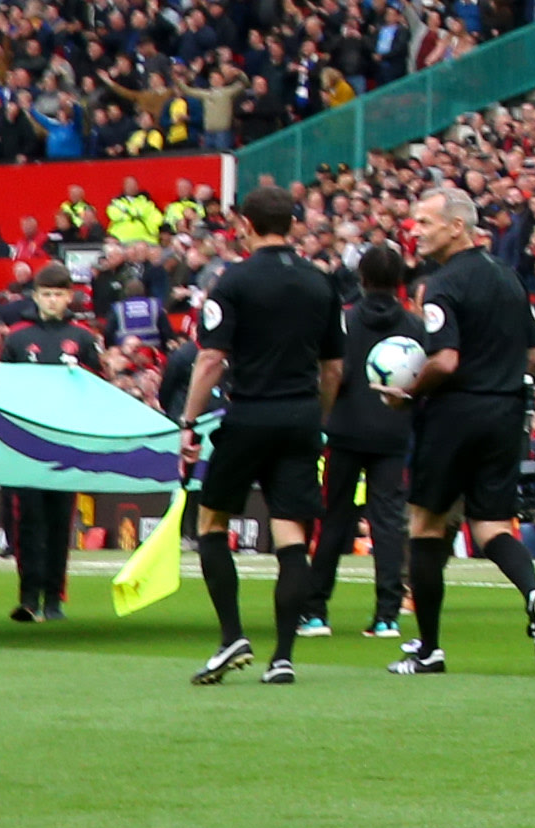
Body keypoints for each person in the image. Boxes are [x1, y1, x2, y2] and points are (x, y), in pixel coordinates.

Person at [387, 183, 535, 678]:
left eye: (424, 222)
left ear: (456, 227)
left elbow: (445, 359)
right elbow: (533, 354)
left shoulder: (443, 284)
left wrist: (408, 393)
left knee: (426, 524)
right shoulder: (508, 278)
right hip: (507, 412)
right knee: (490, 526)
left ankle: (428, 649)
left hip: (455, 414)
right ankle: (533, 594)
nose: (415, 231)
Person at [175, 183, 338, 685]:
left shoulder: (232, 281)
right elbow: (333, 368)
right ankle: (284, 656)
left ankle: (232, 637)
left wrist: (189, 422)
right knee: (290, 533)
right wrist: (320, 417)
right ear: (293, 223)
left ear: (245, 225)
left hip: (247, 418)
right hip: (300, 418)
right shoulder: (320, 283)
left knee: (211, 523)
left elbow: (210, 358)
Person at [318, 243, 416, 641]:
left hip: (345, 428)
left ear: (361, 277)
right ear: (400, 282)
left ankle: (314, 612)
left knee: (335, 519)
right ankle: (387, 615)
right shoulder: (414, 327)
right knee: (388, 522)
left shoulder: (344, 321)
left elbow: (330, 372)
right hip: (393, 430)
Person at [0, 272, 93, 622]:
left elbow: (97, 389)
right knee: (27, 523)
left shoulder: (82, 339)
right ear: (35, 296)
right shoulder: (19, 340)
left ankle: (54, 599)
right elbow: (2, 389)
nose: (52, 300)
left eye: (58, 294)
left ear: (70, 297)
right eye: (46, 294)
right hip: (25, 444)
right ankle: (28, 597)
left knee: (58, 522)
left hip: (65, 444)